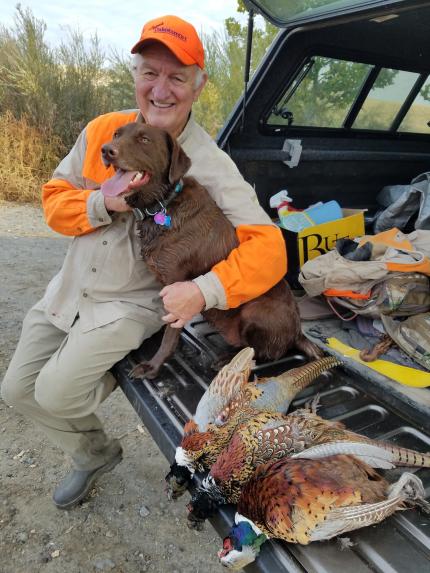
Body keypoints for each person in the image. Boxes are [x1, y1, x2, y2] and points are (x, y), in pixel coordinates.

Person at [1, 15, 287, 509]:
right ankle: (93, 453)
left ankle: (111, 366)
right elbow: (52, 199)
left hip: (126, 308)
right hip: (67, 290)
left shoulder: (209, 164)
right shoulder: (104, 133)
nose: (161, 89)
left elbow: (269, 246)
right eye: (149, 73)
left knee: (55, 393)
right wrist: (102, 203)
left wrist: (206, 291)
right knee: (15, 391)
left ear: (198, 86)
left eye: (177, 76)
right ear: (134, 76)